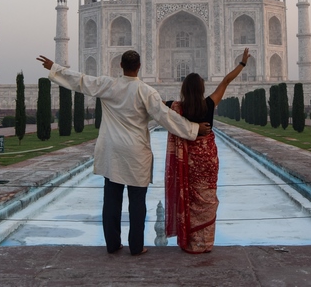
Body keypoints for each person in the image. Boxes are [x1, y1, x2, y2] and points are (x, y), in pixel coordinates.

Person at [37, 51, 210, 256]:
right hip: (136, 153)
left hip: (112, 152)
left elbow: (81, 81)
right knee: (137, 202)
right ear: (140, 66)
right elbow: (166, 118)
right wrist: (194, 128)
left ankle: (113, 244)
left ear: (120, 65)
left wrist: (55, 68)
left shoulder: (108, 85)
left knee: (111, 200)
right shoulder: (146, 92)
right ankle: (136, 247)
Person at [165, 47, 250, 253]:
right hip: (208, 160)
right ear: (202, 89)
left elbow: (151, 103)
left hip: (190, 161)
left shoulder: (176, 107)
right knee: (208, 198)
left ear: (184, 89)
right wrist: (242, 63)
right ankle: (206, 243)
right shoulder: (209, 104)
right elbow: (226, 81)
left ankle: (192, 243)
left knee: (191, 198)